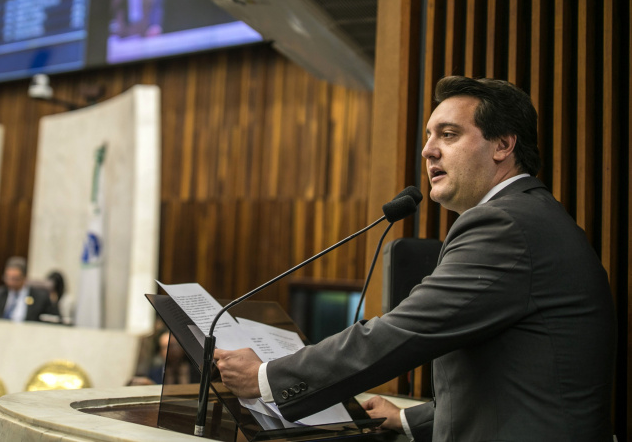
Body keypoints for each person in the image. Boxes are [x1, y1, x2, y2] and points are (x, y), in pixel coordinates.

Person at [214, 77, 616, 441]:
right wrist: (407, 420)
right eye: (429, 136)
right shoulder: (528, 216)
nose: (428, 149)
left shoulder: (505, 224)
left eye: (449, 134)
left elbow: (404, 332)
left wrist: (267, 378)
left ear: (503, 145)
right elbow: (514, 384)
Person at [0, 257, 56, 322]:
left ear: (24, 277)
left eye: (15, 279)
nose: (10, 282)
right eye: (7, 278)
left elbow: (53, 319)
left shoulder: (40, 297)